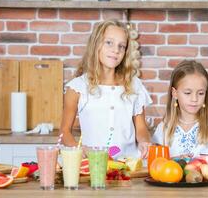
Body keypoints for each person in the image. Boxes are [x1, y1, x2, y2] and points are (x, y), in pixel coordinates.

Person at [60, 20, 152, 159]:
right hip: (94, 163)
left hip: (129, 164)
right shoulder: (77, 87)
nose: (116, 50)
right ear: (96, 44)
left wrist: (144, 142)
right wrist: (79, 149)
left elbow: (141, 128)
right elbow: (64, 132)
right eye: (109, 42)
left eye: (121, 46)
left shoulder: (134, 85)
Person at [152, 60, 208, 170]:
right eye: (188, 93)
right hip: (173, 186)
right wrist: (176, 161)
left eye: (200, 93)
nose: (194, 99)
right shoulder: (164, 127)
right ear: (175, 93)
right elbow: (157, 163)